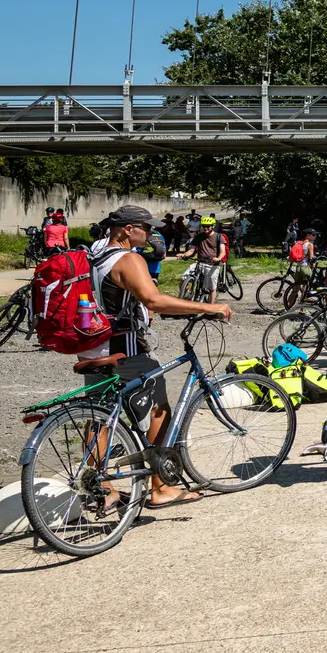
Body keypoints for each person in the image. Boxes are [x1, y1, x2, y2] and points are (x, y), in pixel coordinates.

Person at [78, 204, 233, 508]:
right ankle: (160, 487)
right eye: (145, 227)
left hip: (92, 345)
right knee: (161, 410)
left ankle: (104, 488)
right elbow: (154, 299)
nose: (151, 232)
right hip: (125, 348)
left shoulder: (94, 254)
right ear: (126, 230)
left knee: (101, 418)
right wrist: (208, 307)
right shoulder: (128, 258)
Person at [181, 215, 225, 299]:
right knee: (184, 278)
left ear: (213, 226)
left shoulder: (219, 237)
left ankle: (210, 311)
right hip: (199, 262)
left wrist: (218, 258)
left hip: (211, 264)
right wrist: (183, 254)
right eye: (204, 226)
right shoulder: (199, 236)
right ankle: (184, 294)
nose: (205, 228)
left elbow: (222, 252)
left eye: (208, 226)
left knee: (212, 288)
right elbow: (191, 250)